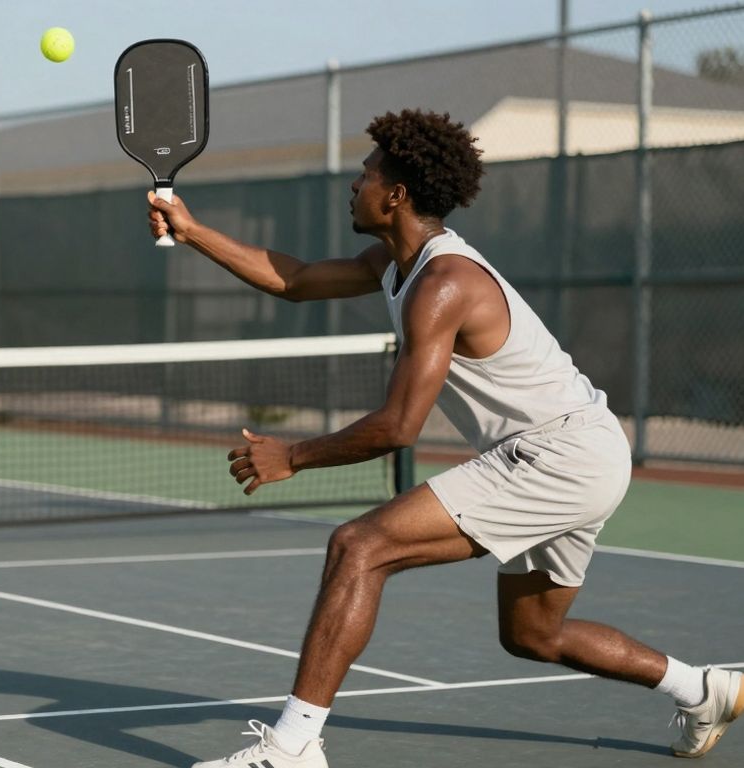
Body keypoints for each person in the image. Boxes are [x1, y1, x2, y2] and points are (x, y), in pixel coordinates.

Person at [148, 109, 741, 767]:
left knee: (359, 546)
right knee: (533, 634)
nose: (355, 184)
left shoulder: (444, 283)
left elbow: (399, 425)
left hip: (558, 455)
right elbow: (298, 280)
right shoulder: (396, 262)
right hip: (588, 453)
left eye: (367, 175)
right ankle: (703, 689)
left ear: (396, 195)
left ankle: (291, 748)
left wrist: (293, 454)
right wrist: (193, 232)